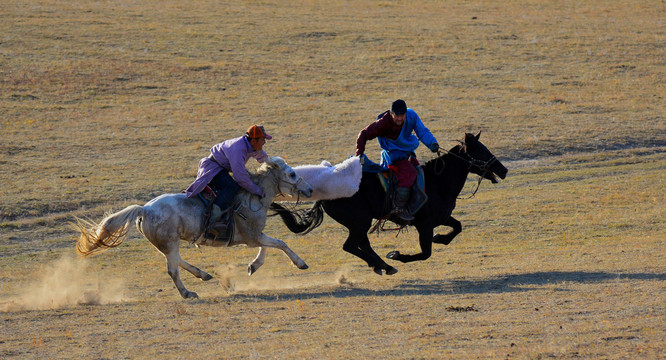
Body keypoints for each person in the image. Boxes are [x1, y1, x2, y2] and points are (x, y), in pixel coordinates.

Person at [355, 99, 439, 221]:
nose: (399, 118)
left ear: (406, 113)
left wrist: (433, 144)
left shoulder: (412, 115)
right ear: (391, 113)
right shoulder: (383, 123)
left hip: (406, 151)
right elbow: (363, 134)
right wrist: (359, 155)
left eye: (402, 115)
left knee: (420, 171)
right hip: (393, 154)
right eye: (396, 115)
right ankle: (398, 208)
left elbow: (422, 131)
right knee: (409, 173)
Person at [185, 125, 272, 238]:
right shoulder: (238, 149)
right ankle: (212, 221)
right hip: (212, 168)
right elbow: (241, 178)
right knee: (232, 187)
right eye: (262, 140)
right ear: (254, 140)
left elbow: (263, 157)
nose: (264, 142)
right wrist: (258, 191)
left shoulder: (251, 145)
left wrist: (274, 166)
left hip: (220, 168)